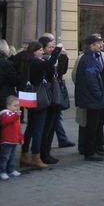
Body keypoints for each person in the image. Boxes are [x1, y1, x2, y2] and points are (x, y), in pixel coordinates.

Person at [18, 40, 63, 169]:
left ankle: (24, 154)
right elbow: (50, 63)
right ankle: (35, 157)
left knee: (30, 127)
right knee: (38, 128)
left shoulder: (26, 61)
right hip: (39, 98)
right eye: (40, 50)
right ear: (34, 51)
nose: (42, 52)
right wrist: (57, 51)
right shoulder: (36, 62)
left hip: (30, 97)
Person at [75, 34, 104, 161]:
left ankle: (93, 149)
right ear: (92, 45)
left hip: (92, 99)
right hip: (92, 99)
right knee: (91, 126)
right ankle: (89, 152)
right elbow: (91, 80)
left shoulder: (91, 57)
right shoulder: (88, 59)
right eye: (98, 43)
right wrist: (99, 95)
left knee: (94, 126)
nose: (101, 45)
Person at [38, 34, 68, 164]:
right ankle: (43, 153)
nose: (51, 49)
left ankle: (47, 152)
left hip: (53, 97)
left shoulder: (51, 59)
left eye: (52, 47)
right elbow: (50, 73)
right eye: (49, 47)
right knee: (46, 128)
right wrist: (57, 54)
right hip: (47, 98)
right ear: (43, 48)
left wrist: (64, 57)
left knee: (50, 127)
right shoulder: (43, 60)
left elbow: (61, 71)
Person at [0, 95, 23, 180]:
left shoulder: (15, 116)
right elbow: (6, 121)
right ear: (8, 106)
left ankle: (11, 170)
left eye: (18, 105)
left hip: (14, 140)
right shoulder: (5, 113)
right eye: (15, 105)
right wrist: (16, 116)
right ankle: (2, 171)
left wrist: (21, 138)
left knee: (12, 157)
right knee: (5, 157)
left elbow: (18, 128)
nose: (17, 107)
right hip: (7, 140)